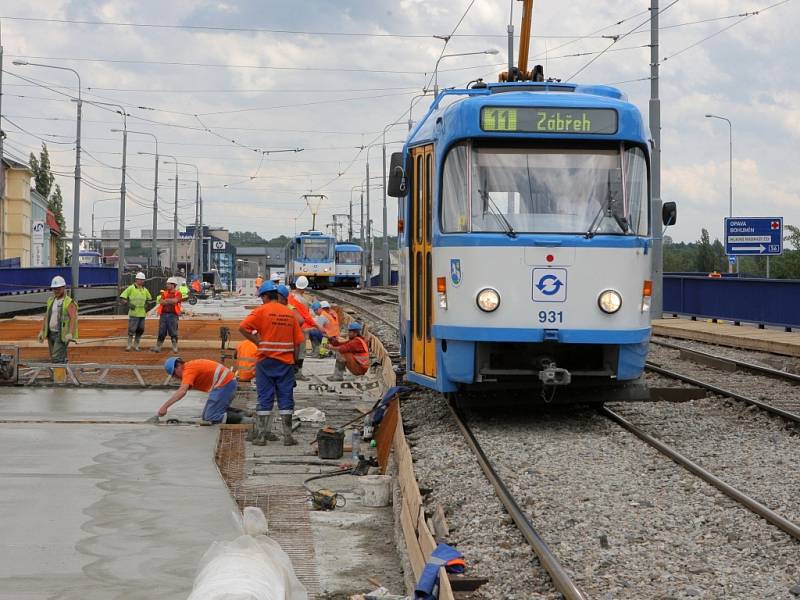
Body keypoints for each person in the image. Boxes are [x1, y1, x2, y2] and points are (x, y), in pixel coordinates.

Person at [238, 281, 305, 446]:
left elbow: (242, 327)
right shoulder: (289, 314)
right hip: (285, 362)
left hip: (265, 362)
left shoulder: (261, 311)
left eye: (262, 297)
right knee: (286, 398)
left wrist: (257, 342)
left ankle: (261, 436)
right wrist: (295, 363)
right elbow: (297, 343)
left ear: (266, 296)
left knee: (265, 398)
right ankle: (288, 437)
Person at [159, 357, 252, 424]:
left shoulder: (188, 370)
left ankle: (248, 421)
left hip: (225, 385)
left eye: (174, 374)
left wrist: (165, 407)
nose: (176, 377)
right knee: (206, 415)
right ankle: (242, 413)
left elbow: (182, 391)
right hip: (225, 384)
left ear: (178, 366)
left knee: (211, 416)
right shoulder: (189, 367)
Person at [37, 275, 78, 363]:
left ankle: (58, 377)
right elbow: (46, 316)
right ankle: (61, 375)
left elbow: (73, 318)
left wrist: (70, 333)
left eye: (58, 289)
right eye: (54, 289)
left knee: (56, 358)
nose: (56, 291)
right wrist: (42, 331)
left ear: (64, 288)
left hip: (61, 335)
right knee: (55, 357)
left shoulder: (69, 302)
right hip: (51, 333)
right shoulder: (51, 300)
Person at [119, 272, 152, 352]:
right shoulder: (131, 288)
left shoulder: (144, 289)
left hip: (142, 313)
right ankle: (129, 345)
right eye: (140, 280)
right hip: (134, 313)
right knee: (132, 329)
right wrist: (128, 304)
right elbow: (123, 297)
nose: (142, 281)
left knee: (140, 329)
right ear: (136, 280)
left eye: (143, 280)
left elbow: (149, 299)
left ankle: (136, 345)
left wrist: (146, 305)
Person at [152, 276, 182, 353]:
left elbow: (175, 301)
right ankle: (158, 347)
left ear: (173, 285)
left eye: (168, 284)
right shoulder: (164, 293)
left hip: (173, 315)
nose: (167, 285)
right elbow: (161, 302)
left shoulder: (178, 293)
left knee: (173, 332)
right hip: (163, 315)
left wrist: (167, 300)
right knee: (161, 331)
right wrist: (169, 301)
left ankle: (175, 347)